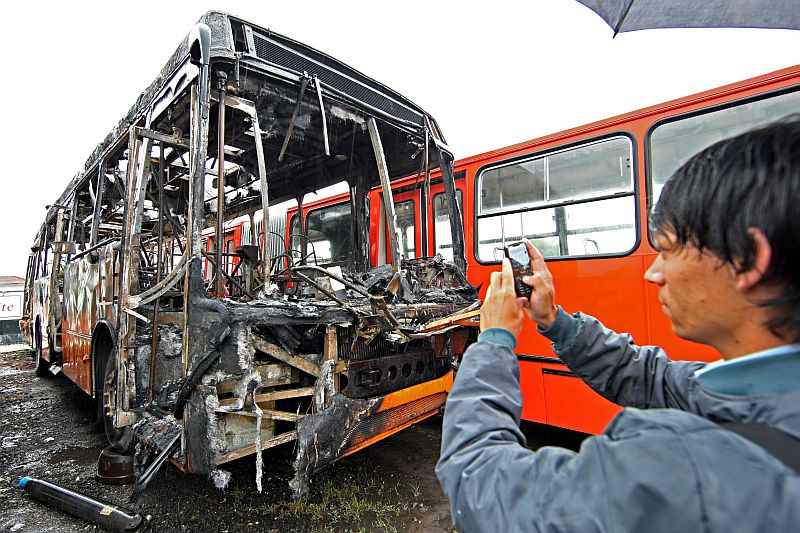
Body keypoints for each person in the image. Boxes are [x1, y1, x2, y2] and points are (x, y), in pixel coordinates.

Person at [436, 117, 800, 532]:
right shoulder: (764, 396)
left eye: (666, 250)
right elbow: (652, 379)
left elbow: (478, 480)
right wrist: (554, 322)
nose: (654, 272)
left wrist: (495, 340)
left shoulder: (682, 467)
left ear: (749, 259)